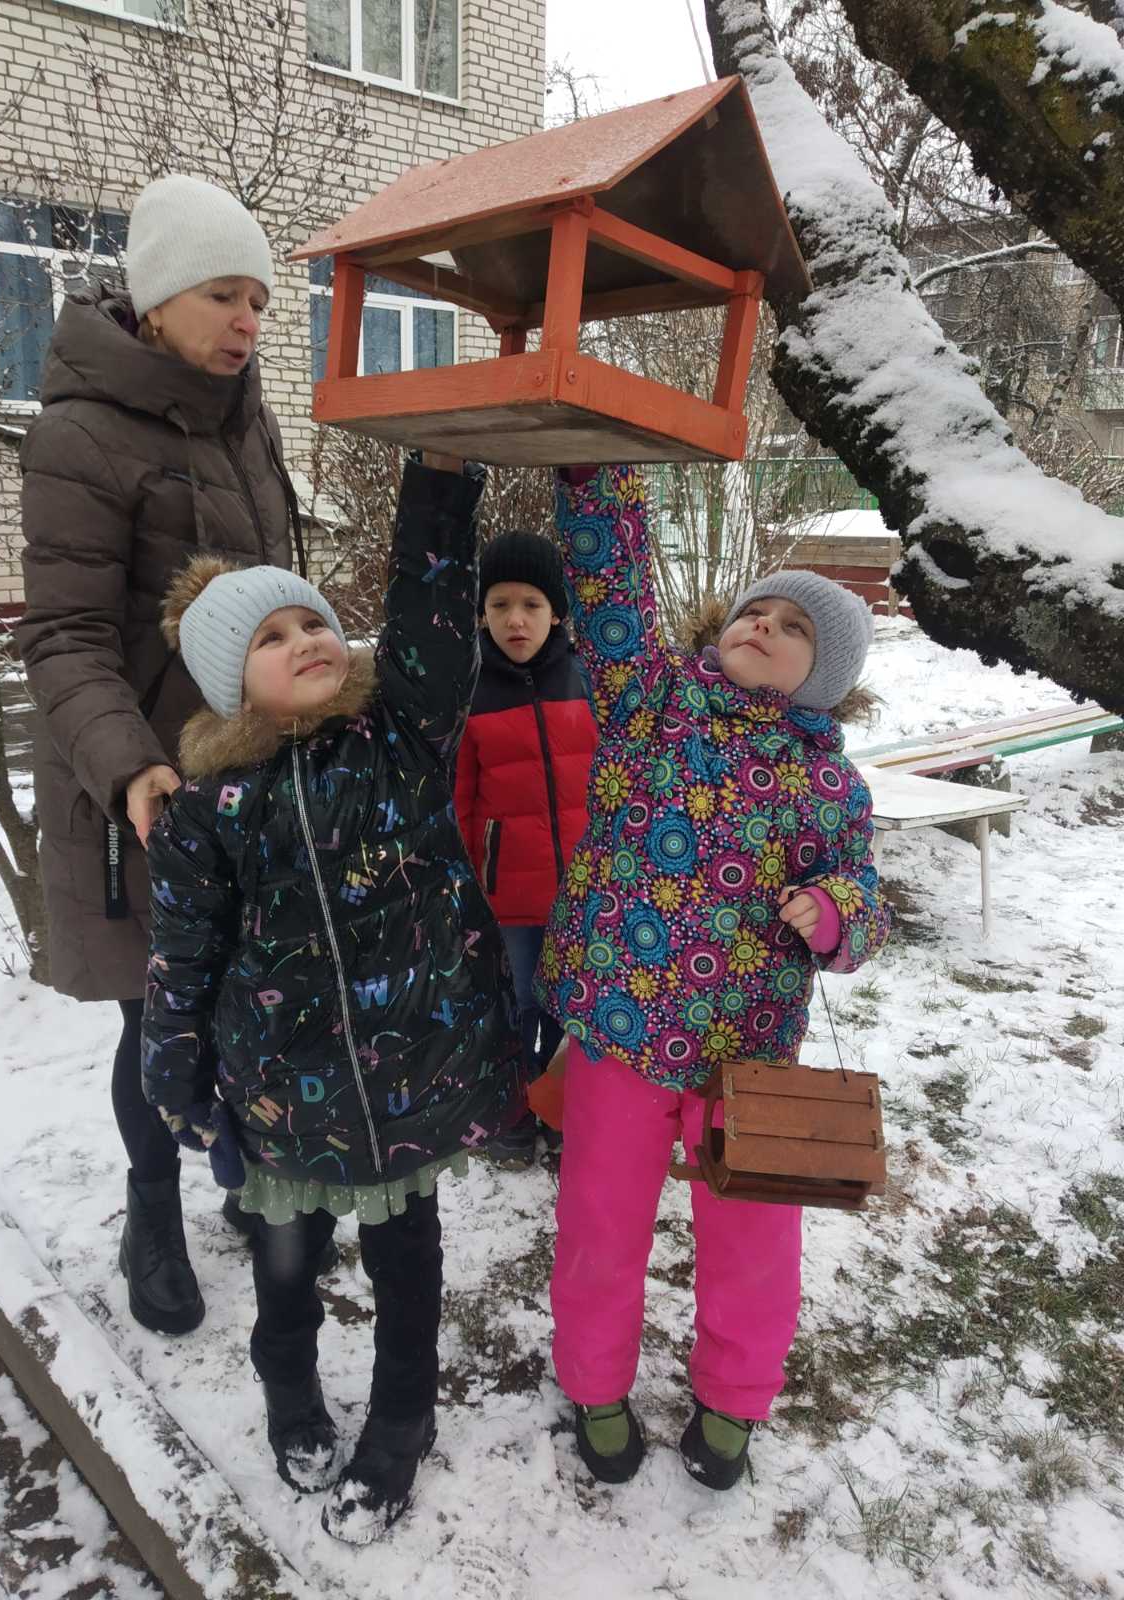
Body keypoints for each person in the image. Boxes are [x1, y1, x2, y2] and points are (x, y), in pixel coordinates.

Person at [140, 454, 525, 1544]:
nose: (306, 640)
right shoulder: (209, 808)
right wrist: (177, 1076)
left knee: (408, 1269)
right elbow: (181, 956)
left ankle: (402, 1417)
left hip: (414, 1084)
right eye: (270, 637)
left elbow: (432, 631)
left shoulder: (401, 741)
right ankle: (292, 1396)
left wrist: (437, 488)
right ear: (229, 683)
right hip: (281, 1101)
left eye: (313, 622)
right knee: (285, 1271)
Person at [535, 464, 891, 1491]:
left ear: (823, 677)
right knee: (601, 1226)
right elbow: (610, 597)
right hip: (622, 1031)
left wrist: (835, 911)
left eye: (795, 627)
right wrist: (596, 478)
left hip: (750, 1055)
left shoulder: (832, 786)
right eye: (755, 611)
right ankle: (596, 1386)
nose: (764, 624)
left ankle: (735, 1399)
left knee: (754, 1242)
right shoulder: (651, 704)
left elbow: (867, 899)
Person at [16, 175, 305, 1338]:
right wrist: (131, 765)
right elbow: (64, 636)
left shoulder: (246, 418)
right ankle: (152, 1210)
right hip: (140, 785)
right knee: (159, 1012)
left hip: (250, 777)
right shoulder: (80, 433)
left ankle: (239, 1163)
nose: (248, 320)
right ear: (159, 296)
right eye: (226, 295)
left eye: (260, 301)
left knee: (250, 992)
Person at [454, 531, 598, 1167]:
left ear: (557, 612)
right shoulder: (471, 688)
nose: (516, 619)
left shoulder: (586, 679)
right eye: (500, 605)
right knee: (516, 1004)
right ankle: (514, 1110)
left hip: (583, 891)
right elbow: (461, 800)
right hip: (507, 893)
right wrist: (467, 881)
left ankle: (563, 1112)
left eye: (532, 604)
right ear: (482, 613)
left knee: (573, 1003)